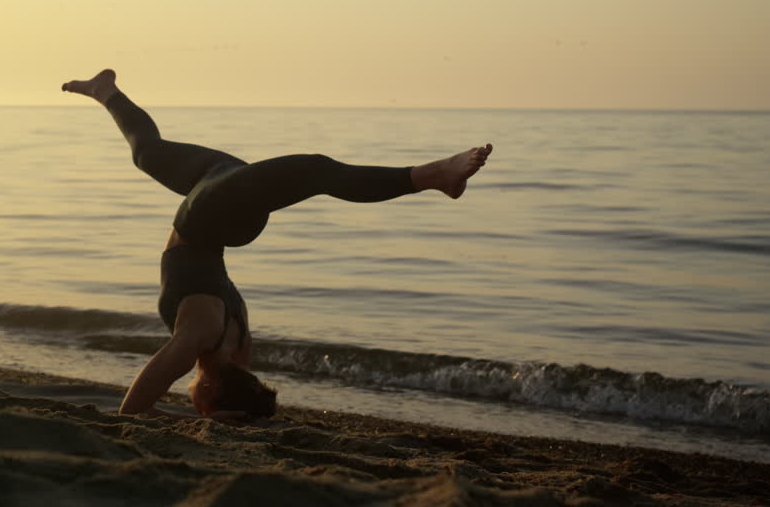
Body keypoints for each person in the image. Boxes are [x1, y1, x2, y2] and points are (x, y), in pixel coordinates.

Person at [61, 69, 492, 420]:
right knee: (317, 170)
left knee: (148, 154)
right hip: (213, 212)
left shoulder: (238, 340)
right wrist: (207, 417)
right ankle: (430, 175)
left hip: (218, 201)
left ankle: (107, 92)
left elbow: (154, 406)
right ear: (207, 393)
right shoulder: (203, 339)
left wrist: (208, 416)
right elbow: (133, 410)